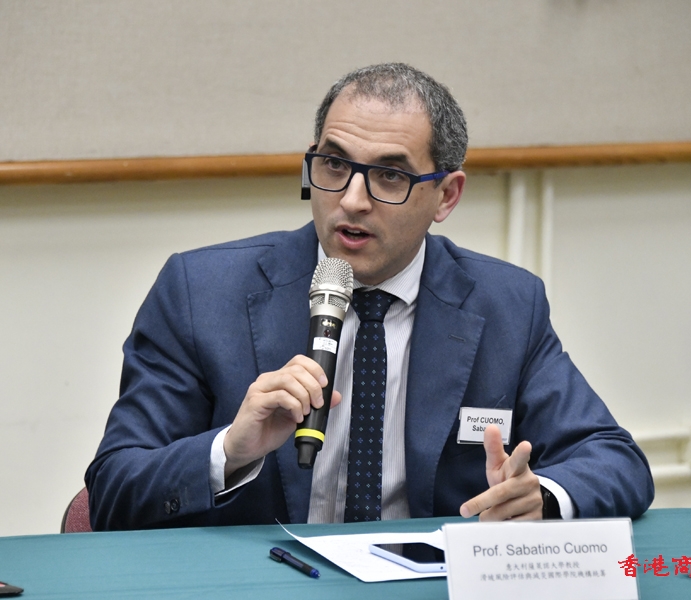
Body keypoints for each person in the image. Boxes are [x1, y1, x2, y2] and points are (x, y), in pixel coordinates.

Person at [85, 63, 654, 530]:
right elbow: (112, 490)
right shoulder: (200, 292)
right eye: (335, 165)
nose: (353, 200)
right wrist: (229, 451)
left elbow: (614, 460)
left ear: (446, 196)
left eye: (389, 176)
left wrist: (543, 497)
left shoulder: (506, 304)